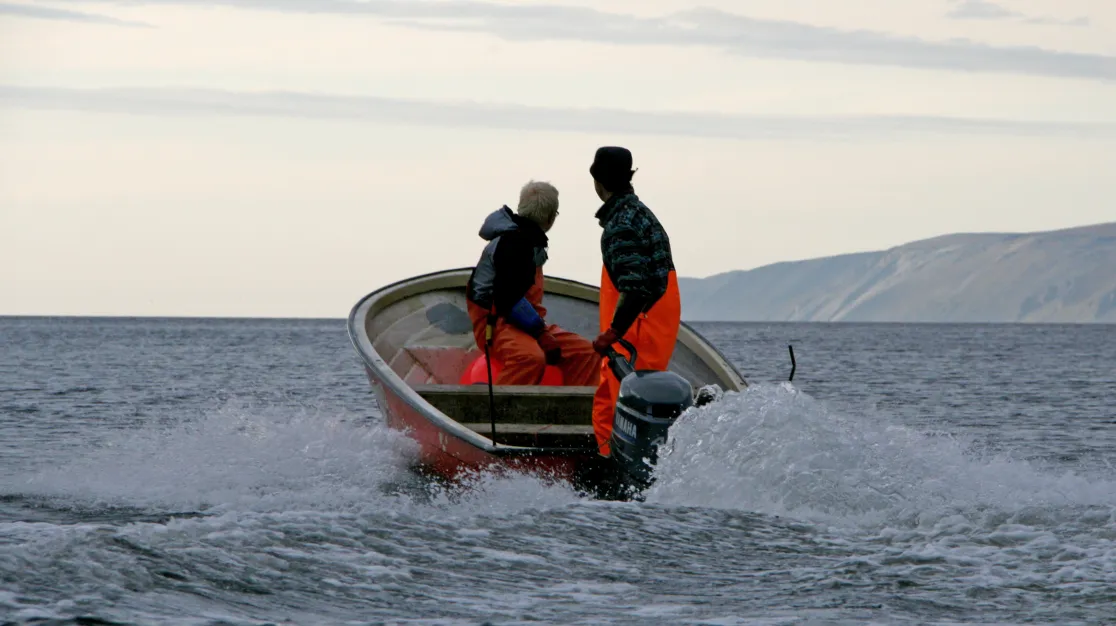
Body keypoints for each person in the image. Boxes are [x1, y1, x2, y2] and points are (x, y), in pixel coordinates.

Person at [588, 147, 682, 457]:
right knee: (609, 402)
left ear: (598, 181)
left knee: (626, 404)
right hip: (650, 328)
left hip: (636, 332)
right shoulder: (641, 215)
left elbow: (635, 288)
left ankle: (622, 470)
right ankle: (609, 461)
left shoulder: (621, 225)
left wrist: (612, 333)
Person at [465, 180, 601, 386]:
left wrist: (539, 330)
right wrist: (541, 334)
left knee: (587, 353)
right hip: (497, 327)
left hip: (527, 325)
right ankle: (501, 406)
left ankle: (572, 405)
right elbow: (507, 299)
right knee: (529, 358)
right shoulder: (513, 244)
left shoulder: (529, 243)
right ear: (550, 218)